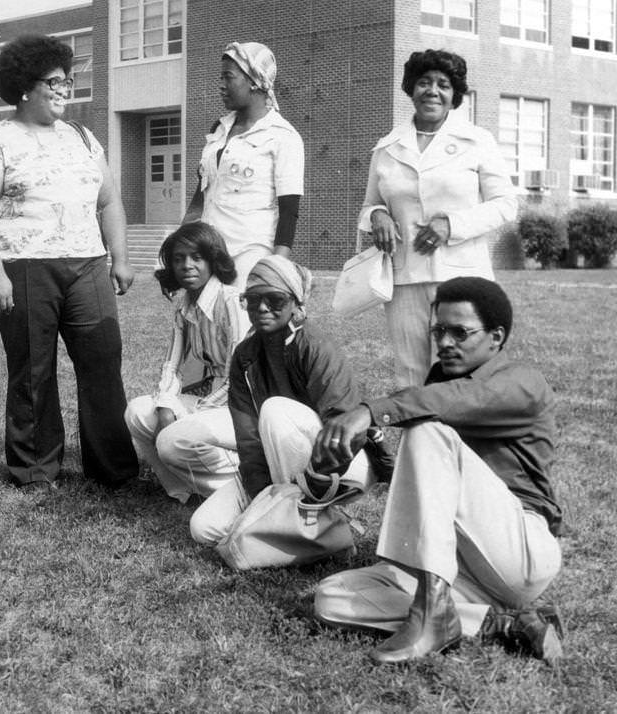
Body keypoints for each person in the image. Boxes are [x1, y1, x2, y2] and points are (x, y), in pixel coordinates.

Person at [313, 277, 564, 665]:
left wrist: (369, 411)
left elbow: (454, 402)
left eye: (460, 332)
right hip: (460, 564)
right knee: (331, 598)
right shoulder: (440, 381)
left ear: (496, 337)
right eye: (439, 330)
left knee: (426, 427)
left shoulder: (522, 382)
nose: (445, 342)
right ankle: (499, 623)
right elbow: (426, 484)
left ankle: (432, 610)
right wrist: (370, 444)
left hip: (520, 553)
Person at [0, 34, 138, 490]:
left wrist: (120, 257)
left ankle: (113, 468)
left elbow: (110, 201)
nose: (65, 89)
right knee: (33, 369)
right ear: (24, 86)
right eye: (54, 81)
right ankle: (35, 469)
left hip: (87, 266)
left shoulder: (83, 137)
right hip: (24, 267)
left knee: (102, 362)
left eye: (68, 81)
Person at [189, 255, 380, 568]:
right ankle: (311, 531)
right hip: (276, 465)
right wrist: (262, 496)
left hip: (338, 464)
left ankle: (316, 518)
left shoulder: (315, 346)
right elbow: (249, 441)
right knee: (204, 529)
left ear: (295, 301)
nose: (262, 308)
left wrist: (311, 483)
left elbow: (343, 426)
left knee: (275, 410)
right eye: (252, 300)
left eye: (274, 299)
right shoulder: (245, 356)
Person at [359, 49, 517, 388]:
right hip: (405, 279)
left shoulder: (477, 141)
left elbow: (506, 204)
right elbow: (369, 204)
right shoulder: (387, 147)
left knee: (459, 373)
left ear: (454, 95)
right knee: (410, 375)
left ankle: (461, 441)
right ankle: (416, 441)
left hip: (461, 277)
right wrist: (378, 216)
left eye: (443, 85)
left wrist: (452, 225)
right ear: (411, 89)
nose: (432, 91)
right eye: (424, 83)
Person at [124, 222, 250, 503]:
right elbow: (172, 365)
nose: (187, 266)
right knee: (137, 412)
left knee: (175, 437)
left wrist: (191, 413)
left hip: (242, 407)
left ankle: (240, 488)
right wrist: (167, 404)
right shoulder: (184, 305)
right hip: (212, 401)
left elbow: (240, 374)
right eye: (178, 259)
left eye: (197, 257)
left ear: (213, 260)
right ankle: (184, 490)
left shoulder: (231, 301)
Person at [183, 41, 305, 290]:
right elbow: (201, 194)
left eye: (228, 77)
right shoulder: (219, 130)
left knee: (243, 325)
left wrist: (275, 271)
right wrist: (183, 242)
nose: (220, 85)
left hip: (249, 258)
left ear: (254, 81)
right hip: (207, 256)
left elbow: (289, 212)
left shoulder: (282, 136)